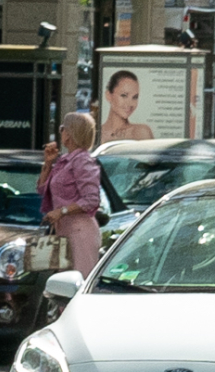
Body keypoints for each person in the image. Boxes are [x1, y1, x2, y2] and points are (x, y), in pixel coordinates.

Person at [39, 110, 106, 273]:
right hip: (62, 232)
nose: (60, 132)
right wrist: (48, 164)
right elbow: (42, 189)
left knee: (77, 283)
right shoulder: (65, 161)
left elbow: (91, 200)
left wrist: (61, 211)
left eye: (62, 128)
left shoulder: (83, 160)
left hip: (80, 232)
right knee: (61, 286)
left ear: (70, 133)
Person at [97, 69, 154, 144]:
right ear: (108, 95)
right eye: (124, 95)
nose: (130, 103)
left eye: (135, 97)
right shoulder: (95, 132)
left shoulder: (141, 131)